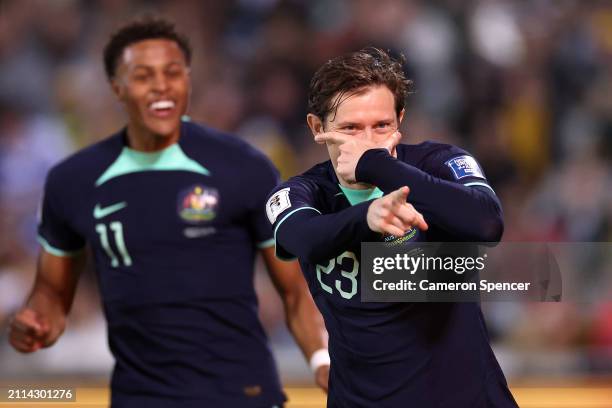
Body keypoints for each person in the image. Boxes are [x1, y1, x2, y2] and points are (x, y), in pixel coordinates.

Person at [9, 17, 328, 408]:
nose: (162, 86)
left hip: (241, 395)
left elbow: (294, 290)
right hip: (139, 398)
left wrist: (321, 359)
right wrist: (38, 323)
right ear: (117, 88)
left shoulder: (244, 167)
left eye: (173, 73)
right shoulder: (73, 181)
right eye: (144, 75)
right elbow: (52, 295)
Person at [267, 48, 518, 407]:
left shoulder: (439, 164)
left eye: (381, 126)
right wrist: (366, 217)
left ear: (400, 119)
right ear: (317, 128)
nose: (367, 140)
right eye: (350, 128)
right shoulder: (302, 192)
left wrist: (376, 165)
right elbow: (302, 238)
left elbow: (487, 222)